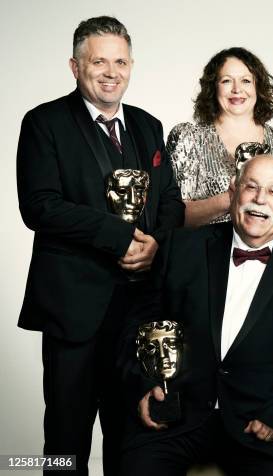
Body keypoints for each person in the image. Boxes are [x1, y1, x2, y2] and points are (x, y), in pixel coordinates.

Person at [16, 16, 184, 475]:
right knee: (66, 443)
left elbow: (168, 199)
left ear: (131, 66)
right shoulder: (43, 122)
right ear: (75, 66)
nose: (111, 72)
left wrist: (156, 245)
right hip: (74, 310)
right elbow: (40, 206)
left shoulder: (148, 126)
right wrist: (120, 238)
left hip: (137, 312)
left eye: (120, 62)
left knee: (130, 438)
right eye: (99, 61)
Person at [119, 155, 273, 476]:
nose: (260, 200)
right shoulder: (180, 248)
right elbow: (137, 326)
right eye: (251, 187)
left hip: (262, 424)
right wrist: (143, 386)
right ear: (234, 192)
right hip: (176, 417)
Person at [168, 47, 273, 226]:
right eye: (227, 81)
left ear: (258, 86)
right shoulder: (188, 139)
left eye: (246, 81)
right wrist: (228, 199)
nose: (237, 89)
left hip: (272, 251)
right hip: (203, 250)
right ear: (213, 87)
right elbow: (172, 215)